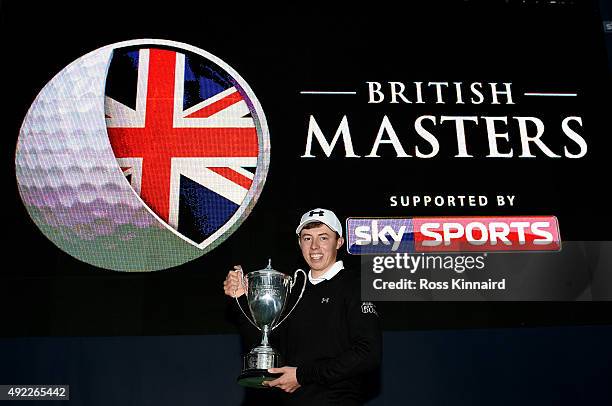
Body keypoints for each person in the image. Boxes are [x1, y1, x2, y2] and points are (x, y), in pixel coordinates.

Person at [223, 208, 382, 405]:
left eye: (323, 238)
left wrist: (302, 375)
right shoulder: (293, 290)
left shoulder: (355, 286)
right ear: (300, 243)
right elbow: (265, 344)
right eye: (307, 238)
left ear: (339, 242)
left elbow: (368, 353)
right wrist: (241, 300)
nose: (314, 246)